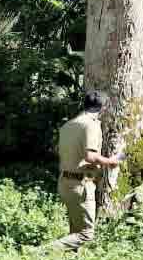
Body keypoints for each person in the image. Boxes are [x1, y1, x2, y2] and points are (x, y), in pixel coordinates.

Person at [47, 91, 124, 251]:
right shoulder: (91, 125)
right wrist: (111, 161)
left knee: (75, 230)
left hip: (64, 183)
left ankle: (70, 259)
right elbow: (90, 156)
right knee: (85, 234)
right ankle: (44, 251)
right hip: (80, 185)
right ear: (103, 108)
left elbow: (59, 150)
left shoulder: (68, 125)